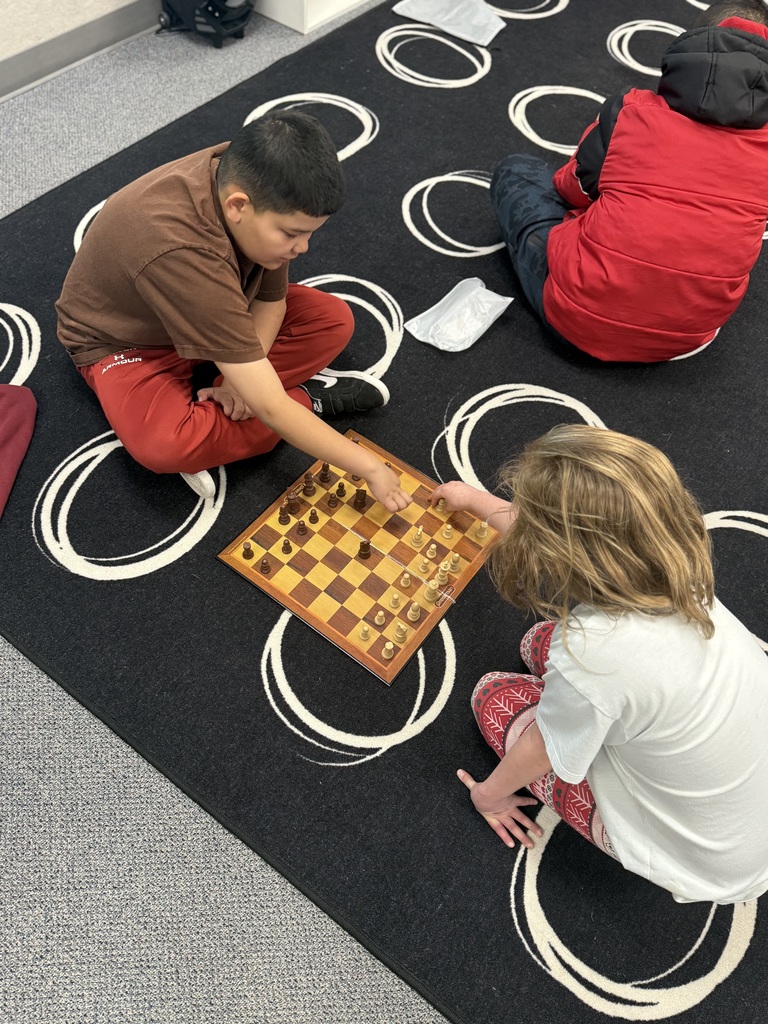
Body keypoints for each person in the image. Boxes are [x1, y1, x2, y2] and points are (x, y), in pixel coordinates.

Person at [431, 425, 768, 903]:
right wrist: (476, 501)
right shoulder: (677, 567)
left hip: (709, 861)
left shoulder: (596, 654)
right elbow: (564, 539)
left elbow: (540, 751)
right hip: (744, 803)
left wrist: (489, 796)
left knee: (493, 695)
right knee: (541, 642)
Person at [56, 110, 410, 511]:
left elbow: (271, 299)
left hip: (213, 306)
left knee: (332, 320)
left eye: (310, 233)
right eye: (292, 234)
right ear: (238, 205)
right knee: (165, 445)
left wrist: (234, 380)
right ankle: (308, 404)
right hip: (128, 344)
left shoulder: (245, 176)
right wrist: (370, 467)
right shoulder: (182, 250)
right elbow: (270, 407)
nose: (304, 248)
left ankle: (234, 389)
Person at [490, 0, 768, 362]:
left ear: (691, 45)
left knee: (517, 171)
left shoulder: (631, 111)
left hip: (576, 319)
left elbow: (570, 188)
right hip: (686, 339)